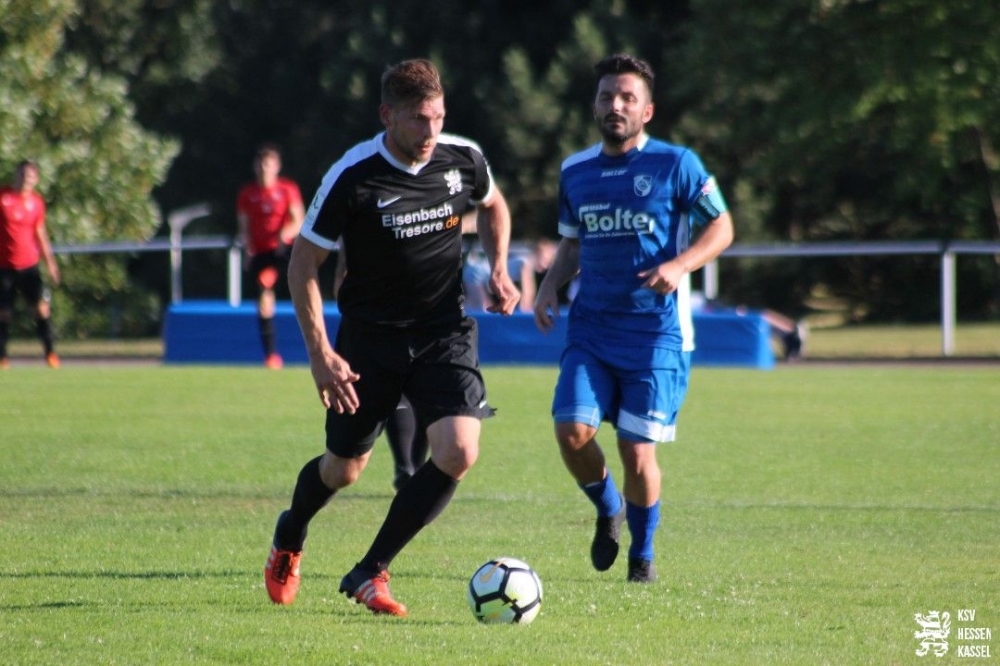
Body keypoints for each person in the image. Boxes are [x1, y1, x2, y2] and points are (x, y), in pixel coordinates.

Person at [264, 58, 520, 617]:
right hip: (370, 341)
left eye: (438, 117)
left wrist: (500, 267)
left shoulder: (462, 157)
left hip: (443, 332)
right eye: (418, 119)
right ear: (387, 115)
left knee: (459, 450)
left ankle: (371, 569)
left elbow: (494, 204)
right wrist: (320, 354)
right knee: (343, 469)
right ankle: (291, 531)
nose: (431, 131)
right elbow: (302, 262)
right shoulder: (353, 175)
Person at [533, 54, 734, 583]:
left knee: (635, 450)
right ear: (594, 106)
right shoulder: (575, 171)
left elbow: (722, 227)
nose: (615, 106)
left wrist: (680, 264)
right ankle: (608, 508)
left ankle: (642, 557)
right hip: (592, 330)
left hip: (655, 335)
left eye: (627, 98)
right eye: (606, 97)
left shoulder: (676, 164)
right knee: (571, 430)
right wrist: (549, 285)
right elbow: (572, 243)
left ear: (647, 111)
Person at [332, 239, 428, 491]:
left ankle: (409, 467)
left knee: (410, 387)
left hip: (398, 311)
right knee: (414, 386)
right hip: (397, 311)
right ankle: (410, 468)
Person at [236, 144, 305, 369]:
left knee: (293, 287)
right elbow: (244, 228)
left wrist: (283, 235)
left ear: (277, 166)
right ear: (255, 167)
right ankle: (271, 356)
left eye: (268, 164)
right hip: (261, 254)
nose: (264, 168)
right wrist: (247, 249)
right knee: (264, 304)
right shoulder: (247, 194)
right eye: (261, 164)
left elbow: (299, 221)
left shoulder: (287, 189)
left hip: (282, 251)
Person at [0, 160, 61, 369]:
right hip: (4, 266)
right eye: (22, 174)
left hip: (29, 266)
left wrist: (50, 263)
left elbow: (40, 234)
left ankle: (50, 354)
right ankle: (2, 357)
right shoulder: (3, 197)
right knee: (4, 313)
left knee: (42, 309)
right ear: (15, 175)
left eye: (30, 176)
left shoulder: (36, 203)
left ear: (36, 180)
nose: (25, 179)